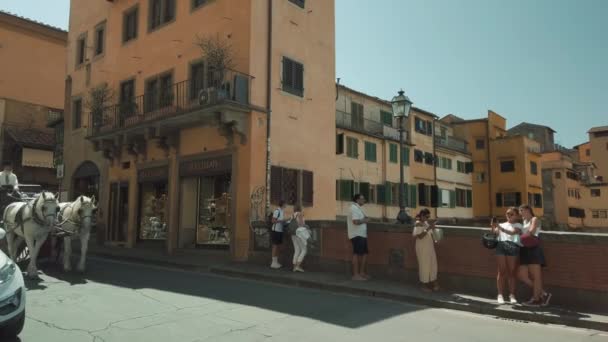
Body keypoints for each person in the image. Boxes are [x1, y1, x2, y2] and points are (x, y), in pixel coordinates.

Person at [518, 204, 552, 306]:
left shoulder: (534, 219)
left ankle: (536, 299)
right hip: (524, 249)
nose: (520, 213)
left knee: (536, 276)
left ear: (528, 210)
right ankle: (543, 294)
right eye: (520, 211)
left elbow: (532, 231)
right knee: (522, 275)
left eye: (522, 210)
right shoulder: (524, 222)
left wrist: (519, 237)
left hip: (533, 248)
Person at [492, 207, 523, 305]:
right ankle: (500, 295)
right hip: (501, 246)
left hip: (512, 246)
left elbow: (513, 232)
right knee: (501, 271)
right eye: (507, 214)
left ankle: (512, 295)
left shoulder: (518, 225)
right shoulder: (501, 224)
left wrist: (500, 227)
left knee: (512, 272)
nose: (509, 216)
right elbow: (495, 234)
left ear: (517, 215)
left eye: (511, 214)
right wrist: (493, 226)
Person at [413, 208, 439, 292]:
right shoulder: (418, 223)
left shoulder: (426, 223)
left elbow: (431, 235)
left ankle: (434, 283)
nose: (428, 218)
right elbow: (419, 236)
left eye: (429, 216)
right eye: (426, 216)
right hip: (422, 248)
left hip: (430, 247)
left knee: (433, 264)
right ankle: (423, 285)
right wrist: (428, 228)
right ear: (422, 216)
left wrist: (434, 228)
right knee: (424, 265)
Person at [348, 194, 370, 281]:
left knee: (364, 253)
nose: (364, 200)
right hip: (356, 234)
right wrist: (365, 220)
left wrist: (364, 219)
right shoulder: (353, 208)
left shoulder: (358, 208)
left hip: (362, 234)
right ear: (357, 200)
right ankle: (355, 275)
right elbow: (355, 221)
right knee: (356, 254)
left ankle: (361, 273)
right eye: (362, 199)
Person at [291, 205, 311, 272]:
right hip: (299, 233)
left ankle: (294, 266)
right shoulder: (299, 214)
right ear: (300, 208)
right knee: (304, 250)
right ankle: (297, 266)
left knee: (297, 250)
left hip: (293, 234)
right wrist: (307, 226)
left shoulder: (293, 215)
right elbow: (301, 224)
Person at [270, 200, 288, 269]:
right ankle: (273, 263)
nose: (286, 205)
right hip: (275, 230)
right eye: (285, 204)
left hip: (280, 230)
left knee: (278, 246)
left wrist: (285, 221)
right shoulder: (277, 211)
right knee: (275, 246)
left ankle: (276, 262)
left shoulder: (282, 211)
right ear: (283, 204)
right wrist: (283, 220)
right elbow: (273, 221)